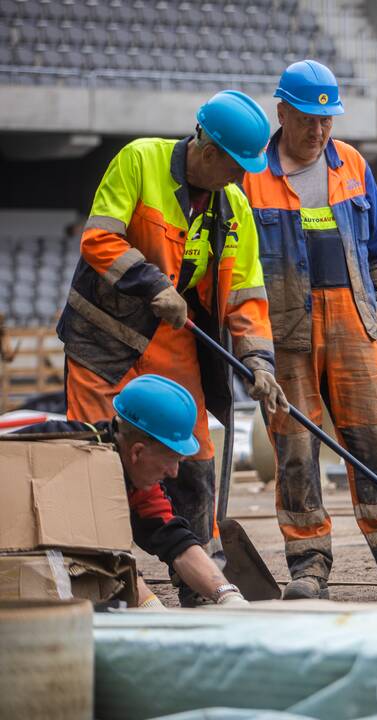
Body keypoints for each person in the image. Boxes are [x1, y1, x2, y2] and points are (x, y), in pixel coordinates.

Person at [57, 90, 288, 606]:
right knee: (95, 456)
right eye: (235, 166)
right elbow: (100, 238)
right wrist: (152, 284)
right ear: (209, 151)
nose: (241, 177)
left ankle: (201, 583)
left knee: (192, 454)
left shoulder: (235, 208)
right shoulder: (140, 161)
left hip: (175, 338)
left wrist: (258, 361)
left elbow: (248, 295)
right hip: (103, 341)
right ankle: (104, 577)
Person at [243, 60, 377, 601]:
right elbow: (233, 262)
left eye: (327, 120)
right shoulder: (250, 176)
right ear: (282, 111)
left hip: (352, 322)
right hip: (284, 329)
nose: (319, 131)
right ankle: (308, 567)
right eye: (308, 119)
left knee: (376, 442)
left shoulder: (352, 165)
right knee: (294, 451)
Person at [17, 375, 248, 608]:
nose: (174, 472)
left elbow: (175, 540)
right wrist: (148, 603)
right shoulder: (65, 455)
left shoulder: (132, 472)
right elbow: (96, 554)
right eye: (171, 460)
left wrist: (226, 594)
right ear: (137, 452)